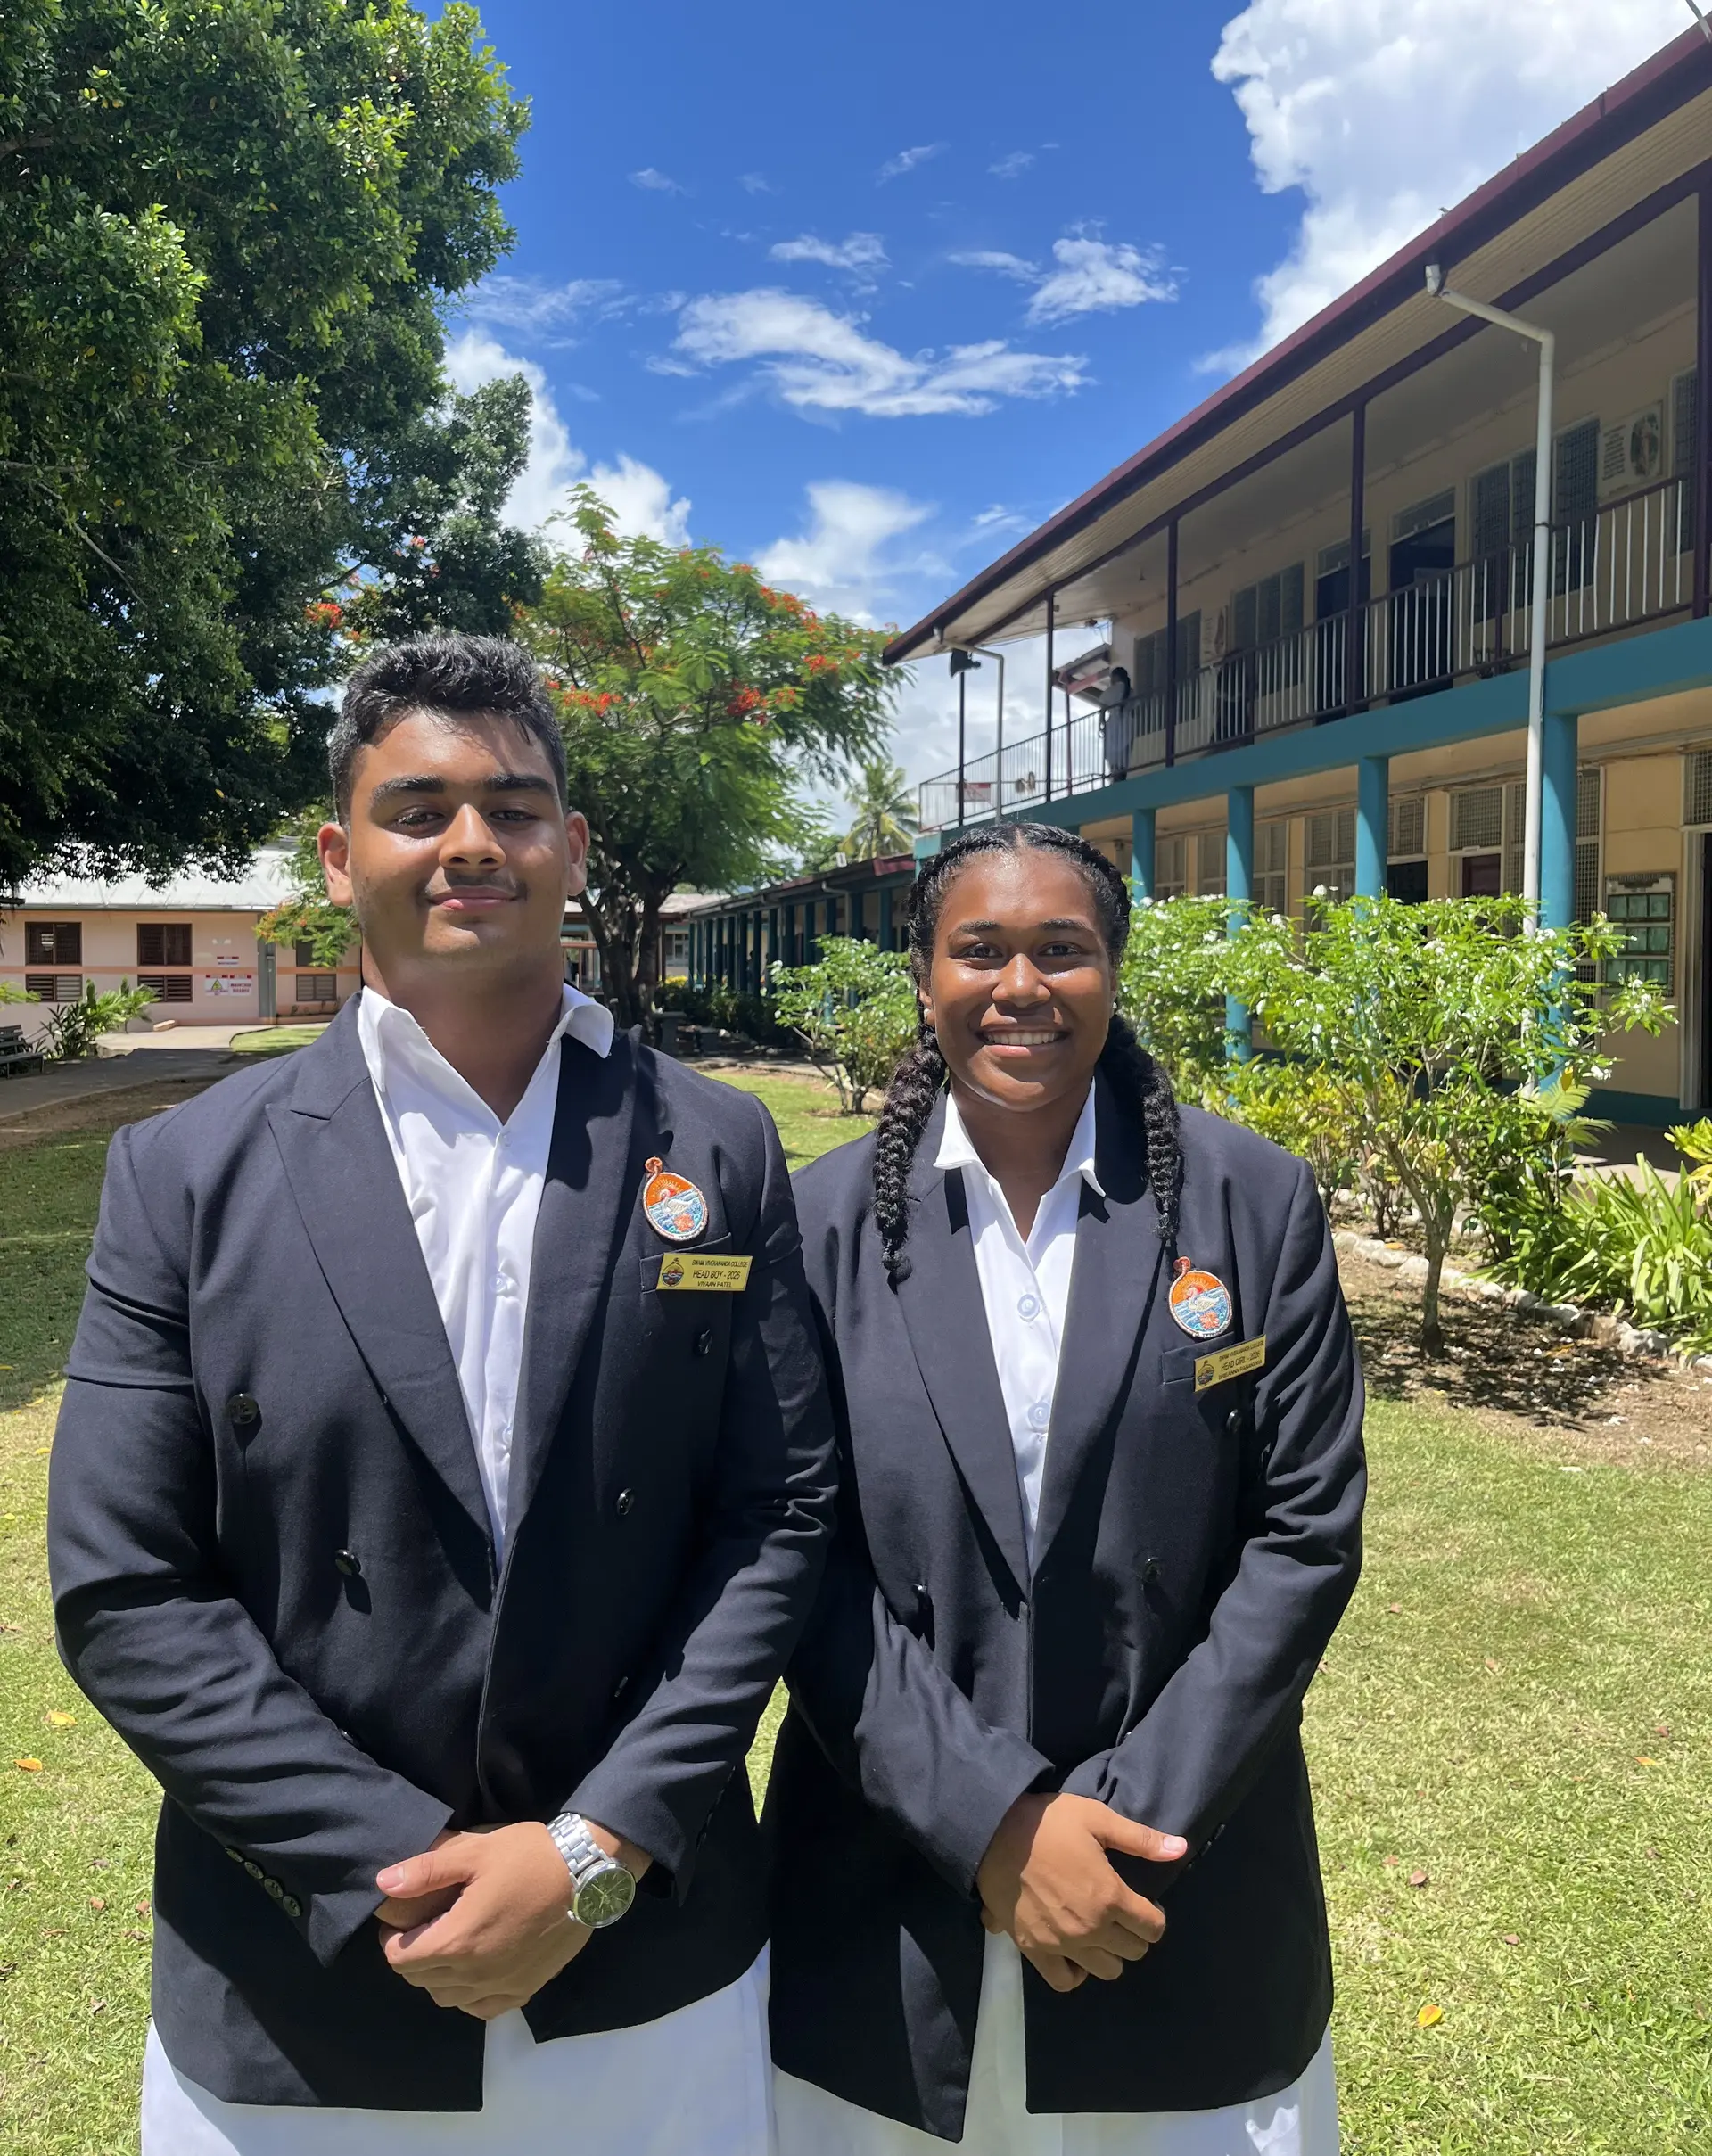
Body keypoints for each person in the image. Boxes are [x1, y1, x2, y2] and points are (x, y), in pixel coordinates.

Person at [48, 635, 835, 2153]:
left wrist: (592, 1848)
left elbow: (782, 1514)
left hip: (645, 1974)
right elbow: (127, 1586)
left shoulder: (719, 1147)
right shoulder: (186, 1173)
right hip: (304, 1984)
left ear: (571, 846)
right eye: (420, 808)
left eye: (515, 805)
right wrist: (406, 1860)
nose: (472, 841)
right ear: (340, 856)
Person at [766, 820, 1366, 2153]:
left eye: (1062, 948)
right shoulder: (814, 1227)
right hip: (887, 1885)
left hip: (1175, 1882)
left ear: (1114, 968)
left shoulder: (1252, 1203)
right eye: (978, 948)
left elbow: (1305, 1535)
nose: (1019, 984)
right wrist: (992, 1825)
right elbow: (794, 1553)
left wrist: (1112, 1831)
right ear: (923, 977)